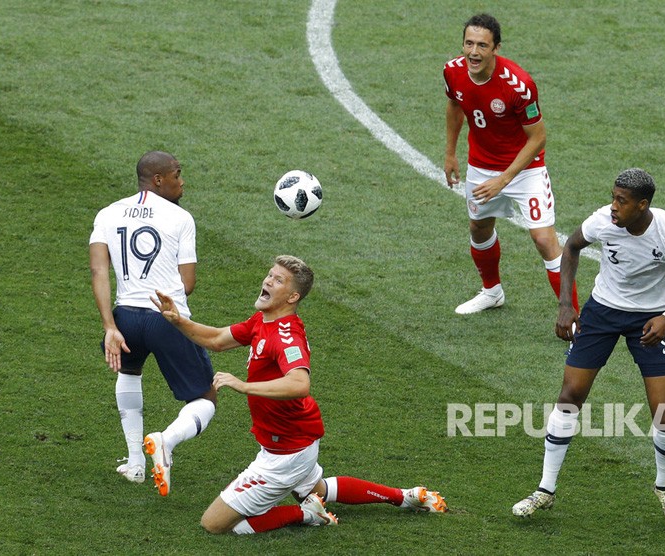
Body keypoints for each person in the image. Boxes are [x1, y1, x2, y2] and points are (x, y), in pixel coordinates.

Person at [151, 255, 448, 534]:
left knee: (215, 524)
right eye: (270, 275)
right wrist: (178, 320)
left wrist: (244, 386)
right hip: (296, 440)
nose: (268, 281)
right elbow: (216, 339)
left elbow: (298, 383)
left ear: (293, 297)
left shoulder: (286, 336)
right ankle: (407, 497)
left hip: (285, 453)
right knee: (316, 489)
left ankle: (307, 514)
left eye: (278, 280)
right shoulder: (262, 320)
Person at [511, 168, 665, 529]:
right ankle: (545, 489)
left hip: (649, 320)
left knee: (664, 410)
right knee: (570, 395)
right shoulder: (603, 221)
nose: (613, 206)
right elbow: (570, 247)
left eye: (622, 201)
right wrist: (566, 305)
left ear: (642, 205)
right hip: (601, 312)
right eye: (613, 197)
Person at [89, 150, 217, 496]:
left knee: (128, 373)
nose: (182, 181)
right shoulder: (180, 218)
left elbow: (99, 271)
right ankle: (166, 441)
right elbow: (187, 283)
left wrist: (109, 327)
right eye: (177, 174)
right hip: (167, 319)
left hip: (125, 317)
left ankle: (135, 465)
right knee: (206, 397)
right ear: (158, 179)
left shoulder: (108, 213)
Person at [443, 13, 579, 315]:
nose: (473, 52)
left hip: (524, 170)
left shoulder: (519, 85)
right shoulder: (452, 71)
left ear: (496, 48)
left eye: (482, 45)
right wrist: (450, 153)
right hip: (480, 166)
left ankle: (575, 318)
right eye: (469, 43)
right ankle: (492, 292)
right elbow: (455, 106)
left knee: (544, 239)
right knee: (479, 227)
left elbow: (538, 138)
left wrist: (503, 180)